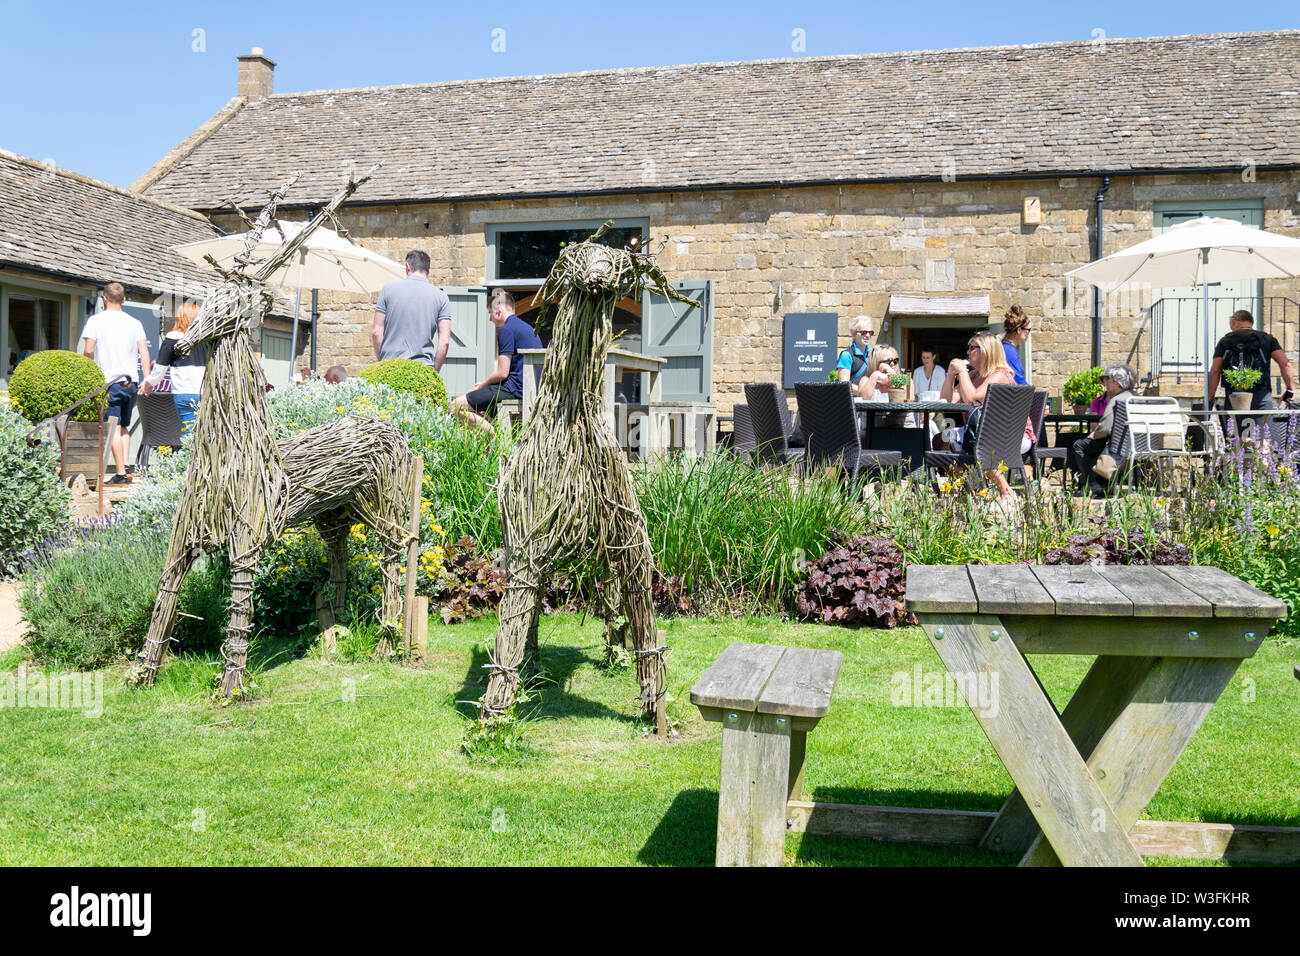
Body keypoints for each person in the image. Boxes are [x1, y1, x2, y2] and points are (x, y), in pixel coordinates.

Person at [940, 332, 1034, 504]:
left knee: (980, 443)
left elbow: (971, 397)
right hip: (981, 434)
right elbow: (947, 400)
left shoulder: (1001, 375)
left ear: (986, 351)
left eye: (972, 348)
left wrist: (962, 371)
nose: (967, 352)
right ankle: (968, 488)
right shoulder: (973, 376)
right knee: (941, 440)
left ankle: (1006, 491)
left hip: (1013, 436)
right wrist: (950, 375)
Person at [82, 282, 151, 485]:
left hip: (109, 381)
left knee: (111, 426)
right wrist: (146, 379)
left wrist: (88, 374)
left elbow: (88, 350)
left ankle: (120, 473)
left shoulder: (96, 320)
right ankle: (126, 468)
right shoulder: (134, 322)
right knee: (123, 426)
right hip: (130, 381)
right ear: (123, 300)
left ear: (104, 299)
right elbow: (144, 351)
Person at [453, 289, 541, 434]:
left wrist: (482, 385)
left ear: (498, 309)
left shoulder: (506, 329)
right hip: (529, 391)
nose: (490, 319)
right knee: (482, 411)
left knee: (455, 407)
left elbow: (502, 372)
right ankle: (492, 436)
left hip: (513, 391)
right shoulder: (529, 329)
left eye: (490, 314)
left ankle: (493, 436)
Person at [371, 250, 453, 370]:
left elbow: (376, 332)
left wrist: (383, 363)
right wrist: (434, 372)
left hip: (390, 367)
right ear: (428, 270)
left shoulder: (388, 290)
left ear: (408, 267)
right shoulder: (441, 296)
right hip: (422, 370)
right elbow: (444, 342)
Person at [1208, 309, 1295, 415]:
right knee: (1263, 430)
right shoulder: (1267, 339)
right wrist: (1290, 389)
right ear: (1251, 323)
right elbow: (1285, 364)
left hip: (1234, 397)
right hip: (1262, 394)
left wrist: (1211, 395)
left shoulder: (1225, 341)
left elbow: (1215, 370)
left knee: (1235, 430)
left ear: (1234, 322)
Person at [1069, 365, 1136, 497]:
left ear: (1116, 383)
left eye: (1107, 380)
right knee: (1093, 445)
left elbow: (1104, 428)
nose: (1105, 383)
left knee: (1080, 445)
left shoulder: (1117, 400)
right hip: (1137, 446)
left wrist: (1095, 433)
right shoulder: (1136, 397)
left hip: (1117, 447)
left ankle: (1095, 485)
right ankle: (1104, 483)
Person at [141, 301, 207, 435]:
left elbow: (160, 368)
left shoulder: (173, 338)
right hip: (205, 391)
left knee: (190, 435)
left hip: (184, 392)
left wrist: (149, 382)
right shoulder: (206, 339)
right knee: (204, 433)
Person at [836, 316, 875, 395]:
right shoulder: (846, 355)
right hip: (852, 403)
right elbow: (844, 385)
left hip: (870, 401)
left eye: (870, 332)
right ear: (853, 334)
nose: (867, 335)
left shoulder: (873, 353)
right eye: (863, 332)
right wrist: (865, 391)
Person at [1001, 304, 1031, 385]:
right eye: (1028, 329)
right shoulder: (1008, 351)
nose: (1028, 332)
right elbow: (1019, 382)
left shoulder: (1004, 347)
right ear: (1019, 330)